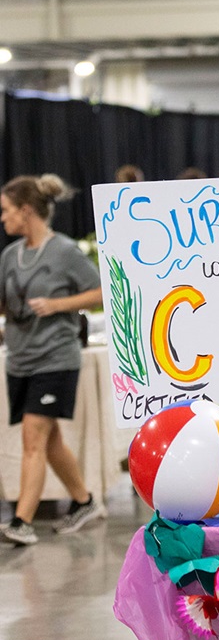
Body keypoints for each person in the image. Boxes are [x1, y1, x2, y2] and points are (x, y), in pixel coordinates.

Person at [1, 175, 104, 545]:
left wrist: (57, 304)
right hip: (20, 360)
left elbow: (102, 291)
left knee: (33, 437)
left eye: (6, 211)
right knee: (49, 439)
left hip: (56, 359)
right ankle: (85, 501)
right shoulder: (9, 256)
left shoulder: (64, 252)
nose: (3, 218)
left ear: (26, 211)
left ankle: (21, 522)